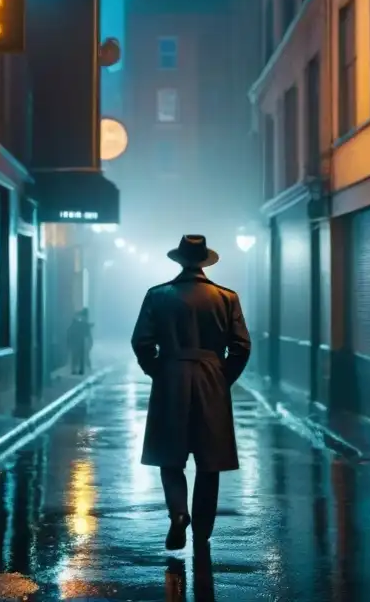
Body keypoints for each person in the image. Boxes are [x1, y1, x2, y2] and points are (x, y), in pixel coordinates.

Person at [131, 234, 252, 551]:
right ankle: (201, 531)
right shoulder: (227, 298)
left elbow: (141, 342)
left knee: (170, 457)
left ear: (180, 260)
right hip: (212, 376)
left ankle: (179, 514)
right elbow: (241, 346)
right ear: (204, 261)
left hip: (171, 375)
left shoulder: (157, 295)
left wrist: (159, 370)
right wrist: (223, 377)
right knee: (209, 460)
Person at [67, 308, 91, 375]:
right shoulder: (81, 323)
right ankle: (79, 370)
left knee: (77, 356)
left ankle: (77, 369)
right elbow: (86, 333)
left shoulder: (78, 323)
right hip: (79, 341)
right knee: (78, 356)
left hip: (78, 341)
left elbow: (70, 332)